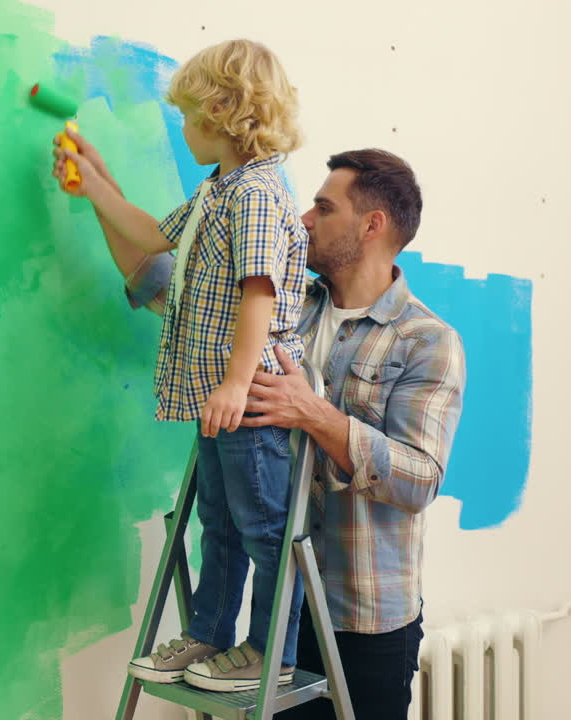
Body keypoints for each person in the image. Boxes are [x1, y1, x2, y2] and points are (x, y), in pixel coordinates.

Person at [125, 149, 466, 719]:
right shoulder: (283, 309)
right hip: (282, 613)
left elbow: (419, 480)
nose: (303, 219)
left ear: (373, 225)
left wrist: (314, 414)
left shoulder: (427, 341)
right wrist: (98, 193)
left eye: (324, 208)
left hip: (362, 621)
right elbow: (167, 288)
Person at [53, 39, 310, 691]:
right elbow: (150, 235)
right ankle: (209, 634)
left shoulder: (256, 194)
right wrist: (94, 183)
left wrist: (235, 383)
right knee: (218, 525)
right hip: (216, 401)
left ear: (221, 111)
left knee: (263, 530)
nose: (185, 128)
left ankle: (269, 652)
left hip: (248, 400)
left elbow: (259, 291)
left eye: (189, 116)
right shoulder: (217, 190)